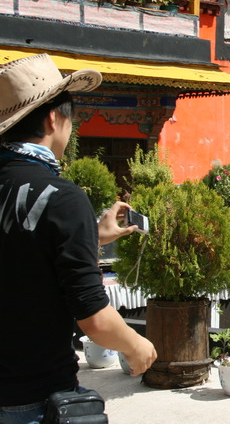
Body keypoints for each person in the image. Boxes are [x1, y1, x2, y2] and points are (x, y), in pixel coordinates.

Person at [0, 53, 157, 423]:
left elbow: (18, 255)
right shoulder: (61, 197)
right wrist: (137, 346)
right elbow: (94, 317)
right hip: (31, 395)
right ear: (54, 118)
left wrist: (91, 239)